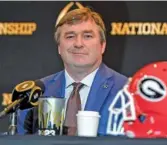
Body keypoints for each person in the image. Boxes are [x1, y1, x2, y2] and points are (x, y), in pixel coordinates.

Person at [16, 7, 127, 135]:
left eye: (87, 36)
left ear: (102, 46)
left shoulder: (125, 91)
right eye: (70, 36)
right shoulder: (37, 92)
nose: (78, 44)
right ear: (59, 47)